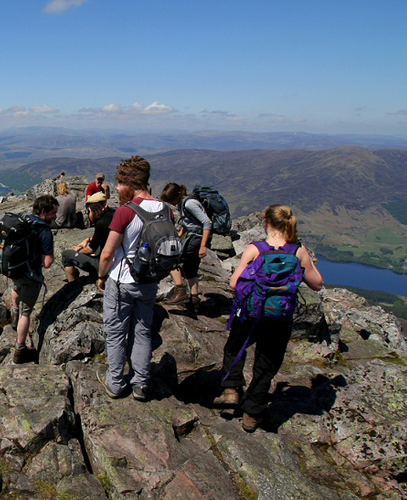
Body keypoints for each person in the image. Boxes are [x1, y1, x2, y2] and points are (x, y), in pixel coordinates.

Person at [216, 205, 323, 432]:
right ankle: (252, 414)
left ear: (265, 222)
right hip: (279, 318)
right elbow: (317, 284)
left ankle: (231, 389)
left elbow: (235, 283)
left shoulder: (256, 249)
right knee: (266, 364)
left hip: (251, 313)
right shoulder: (298, 252)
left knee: (235, 348)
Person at [96, 156, 172, 401]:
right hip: (149, 282)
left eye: (119, 183)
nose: (116, 188)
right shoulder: (165, 209)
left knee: (116, 332)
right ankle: (140, 383)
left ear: (130, 183)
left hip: (121, 282)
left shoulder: (125, 212)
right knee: (142, 332)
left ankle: (116, 383)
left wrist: (101, 276)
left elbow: (108, 252)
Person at [10, 195, 58, 364]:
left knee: (15, 289)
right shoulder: (44, 231)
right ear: (44, 211)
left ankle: (13, 316)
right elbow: (47, 263)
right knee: (26, 313)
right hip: (31, 275)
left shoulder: (23, 221)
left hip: (15, 269)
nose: (55, 217)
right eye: (53, 213)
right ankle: (20, 349)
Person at [160, 183, 212, 311]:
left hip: (197, 238)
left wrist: (203, 246)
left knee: (173, 260)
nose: (171, 204)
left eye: (171, 200)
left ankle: (180, 290)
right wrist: (179, 235)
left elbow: (206, 222)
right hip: (195, 237)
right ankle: (194, 300)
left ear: (177, 196)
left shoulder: (189, 203)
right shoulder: (185, 202)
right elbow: (189, 222)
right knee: (191, 268)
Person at [61, 192, 114, 282]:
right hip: (116, 261)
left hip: (104, 266)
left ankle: (72, 284)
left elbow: (90, 249)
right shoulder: (113, 213)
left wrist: (77, 249)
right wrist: (88, 239)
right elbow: (104, 237)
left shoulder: (101, 223)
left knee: (66, 255)